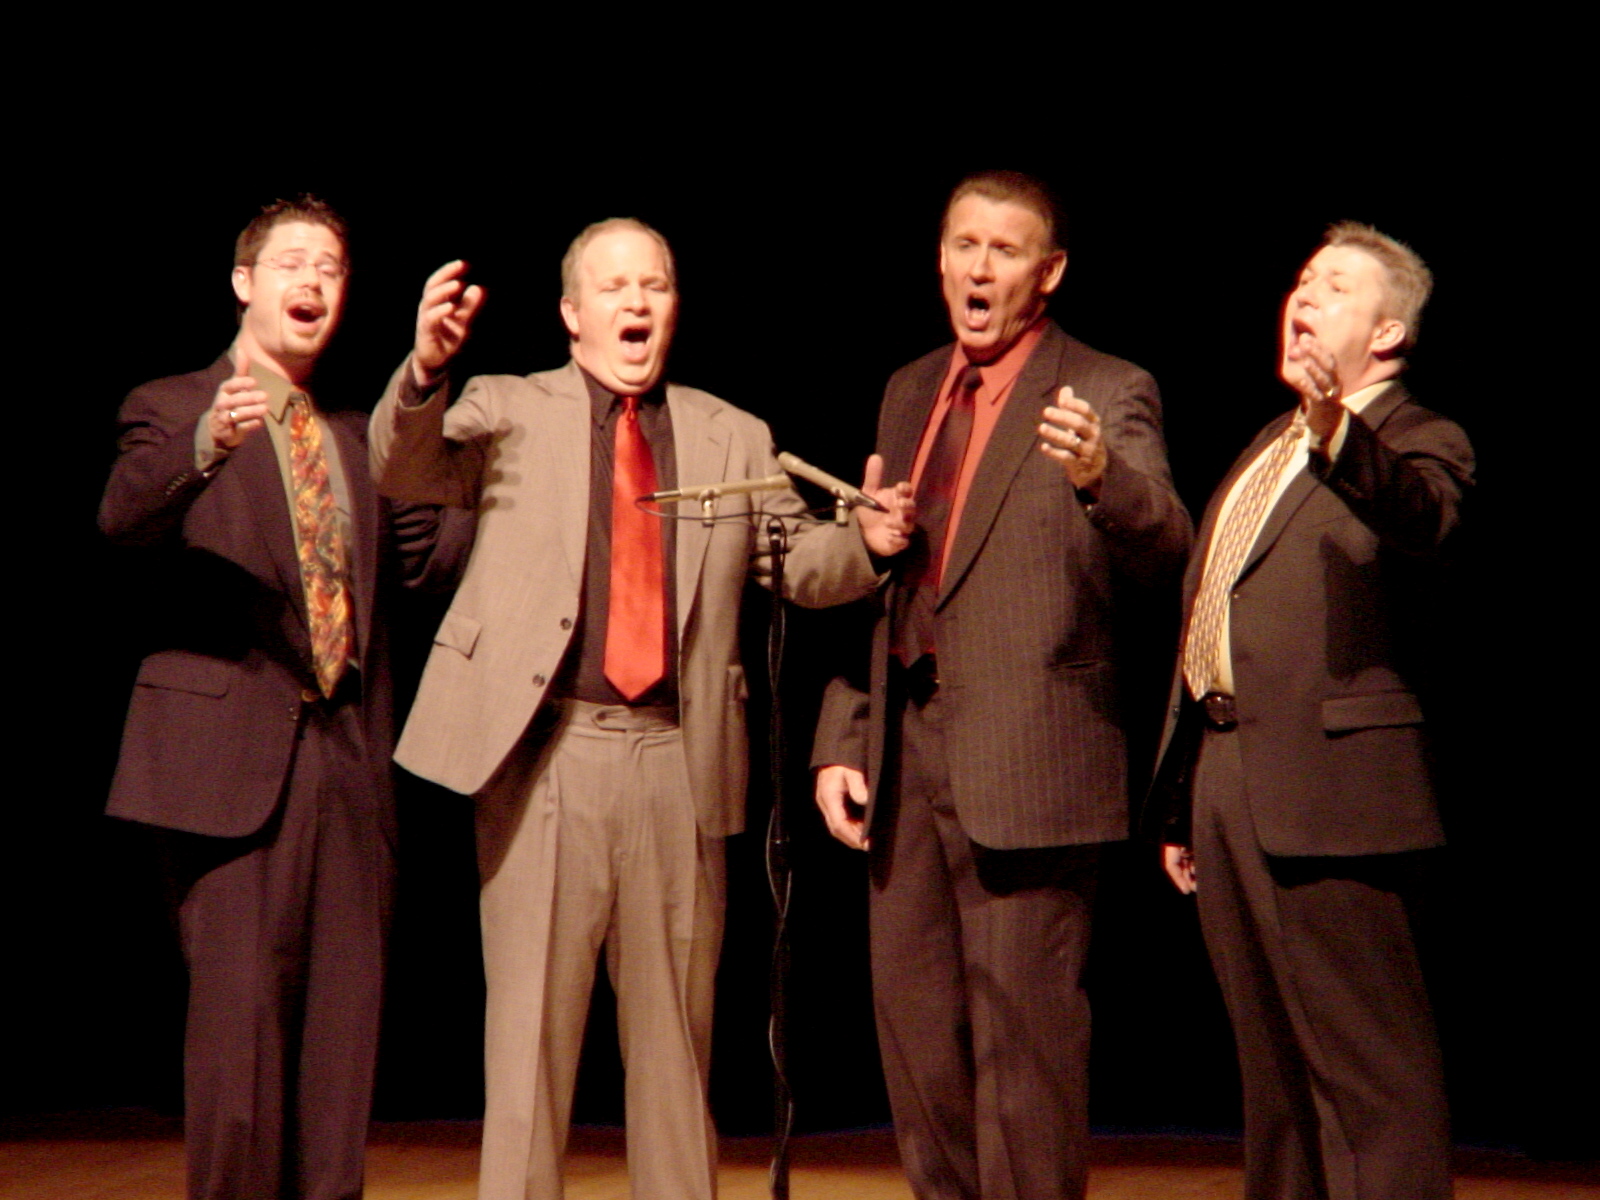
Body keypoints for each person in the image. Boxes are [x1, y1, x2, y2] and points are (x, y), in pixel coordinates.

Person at [368, 217, 909, 1199]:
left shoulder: (731, 433)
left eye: (654, 286)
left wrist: (867, 544)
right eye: (614, 287)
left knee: (675, 1054)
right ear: (572, 313)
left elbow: (802, 562)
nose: (636, 303)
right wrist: (424, 370)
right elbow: (404, 467)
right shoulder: (503, 407)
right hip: (542, 757)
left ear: (674, 307)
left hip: (678, 761)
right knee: (528, 1050)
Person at [811, 170, 1191, 1200]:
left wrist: (1100, 477)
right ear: (939, 259)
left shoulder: (1105, 387)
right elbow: (886, 573)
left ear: (1048, 272)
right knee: (918, 1048)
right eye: (964, 245)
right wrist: (844, 734)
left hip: (1031, 763)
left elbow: (1169, 547)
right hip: (904, 757)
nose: (979, 268)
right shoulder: (908, 387)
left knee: (1025, 1061)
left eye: (1005, 250)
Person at [100, 196, 454, 1200]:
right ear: (243, 282)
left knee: (342, 1049)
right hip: (225, 772)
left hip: (348, 763)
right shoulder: (172, 405)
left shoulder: (354, 435)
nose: (313, 282)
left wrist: (427, 387)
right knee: (241, 1048)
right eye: (293, 263)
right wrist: (208, 442)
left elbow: (429, 556)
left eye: (331, 269)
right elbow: (123, 518)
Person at [1150, 222, 1472, 1200]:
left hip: (1336, 794)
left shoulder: (1420, 437)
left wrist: (1338, 430)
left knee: (1372, 1073)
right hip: (1226, 775)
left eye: (1332, 287)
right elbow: (1216, 604)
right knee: (1273, 1074)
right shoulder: (1268, 443)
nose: (1303, 297)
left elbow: (1421, 518)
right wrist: (1183, 790)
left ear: (1387, 334)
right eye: (1301, 280)